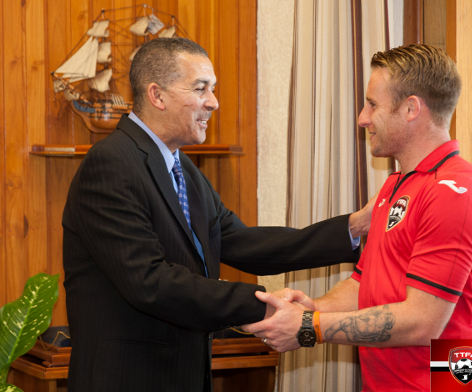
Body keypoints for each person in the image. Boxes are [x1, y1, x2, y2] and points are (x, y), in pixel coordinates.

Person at [62, 37, 372, 392]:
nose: (214, 102)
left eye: (214, 89)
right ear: (157, 96)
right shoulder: (111, 163)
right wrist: (263, 306)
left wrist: (352, 227)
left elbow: (241, 242)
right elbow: (149, 282)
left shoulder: (184, 169)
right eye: (200, 88)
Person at [243, 44, 472, 391]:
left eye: (372, 105)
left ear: (411, 108)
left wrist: (311, 326)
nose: (363, 118)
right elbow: (366, 281)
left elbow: (423, 323)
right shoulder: (396, 184)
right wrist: (312, 307)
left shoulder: (455, 192)